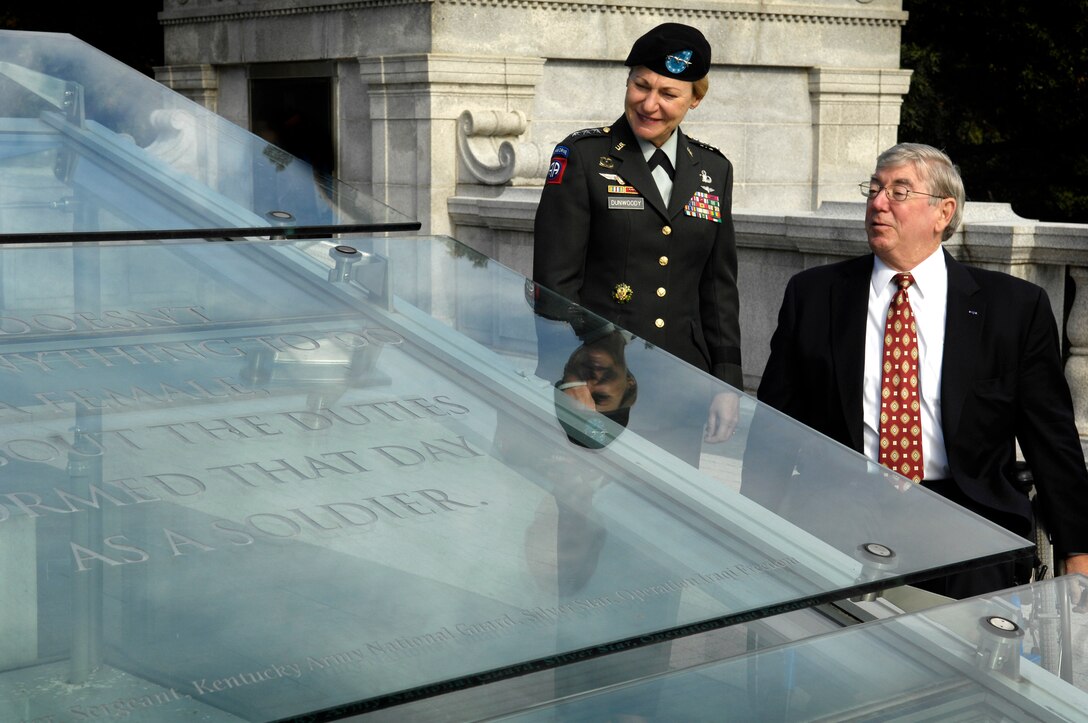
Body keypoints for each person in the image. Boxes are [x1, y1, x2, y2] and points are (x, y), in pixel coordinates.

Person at [748, 142, 1088, 598]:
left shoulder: (1012, 308)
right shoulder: (815, 296)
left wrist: (1077, 548)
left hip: (965, 514)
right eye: (874, 189)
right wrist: (749, 524)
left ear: (943, 212)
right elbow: (774, 425)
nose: (878, 203)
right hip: (842, 506)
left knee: (973, 647)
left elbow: (1052, 437)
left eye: (899, 191)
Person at [532, 22, 741, 460]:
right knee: (588, 513)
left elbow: (718, 287)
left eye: (669, 94)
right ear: (627, 82)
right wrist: (566, 378)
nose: (650, 104)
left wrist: (725, 383)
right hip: (595, 380)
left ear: (695, 99)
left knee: (668, 518)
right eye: (641, 86)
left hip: (681, 386)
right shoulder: (583, 157)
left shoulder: (713, 169)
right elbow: (554, 282)